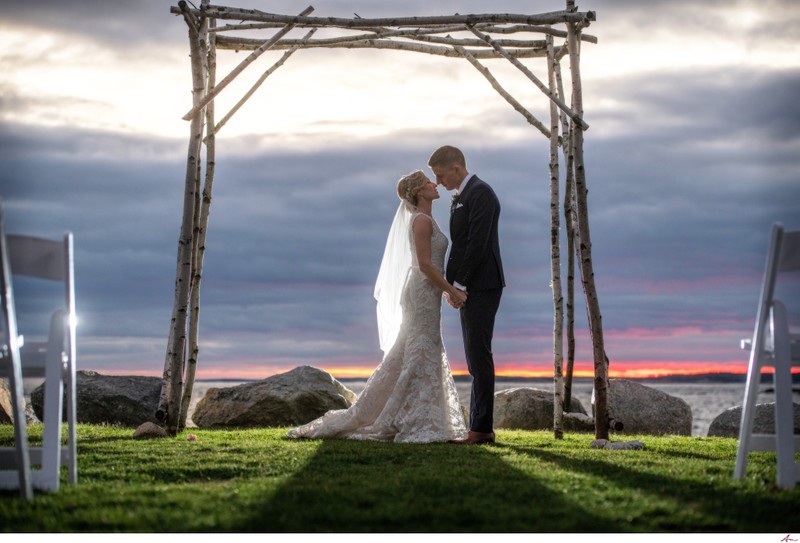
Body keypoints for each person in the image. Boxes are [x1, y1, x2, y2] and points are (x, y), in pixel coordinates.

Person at [287, 170, 468, 443]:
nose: (434, 184)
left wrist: (443, 290)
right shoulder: (421, 221)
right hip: (421, 292)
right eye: (429, 182)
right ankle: (412, 417)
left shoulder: (428, 219)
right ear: (420, 191)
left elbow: (431, 265)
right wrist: (451, 289)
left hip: (428, 292)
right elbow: (424, 265)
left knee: (414, 348)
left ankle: (420, 414)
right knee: (420, 347)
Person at [428, 145, 504, 445]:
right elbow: (461, 244)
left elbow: (478, 243)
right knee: (474, 356)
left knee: (479, 356)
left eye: (440, 174)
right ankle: (479, 426)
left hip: (482, 284)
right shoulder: (463, 195)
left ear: (456, 168)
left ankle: (481, 429)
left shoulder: (481, 193)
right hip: (469, 285)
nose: (438, 182)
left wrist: (459, 284)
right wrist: (453, 285)